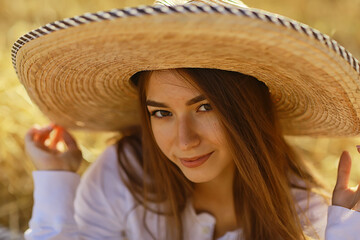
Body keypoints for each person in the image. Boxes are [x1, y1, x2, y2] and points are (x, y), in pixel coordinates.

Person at [12, 0, 360, 239]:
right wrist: (55, 179)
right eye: (161, 112)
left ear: (248, 111)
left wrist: (346, 230)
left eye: (204, 107)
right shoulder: (126, 173)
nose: (184, 140)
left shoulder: (300, 207)